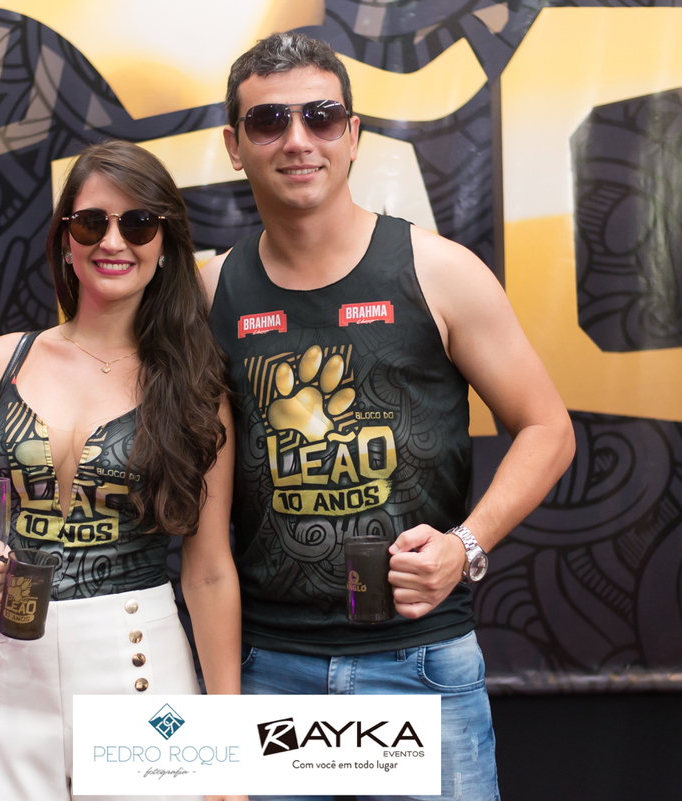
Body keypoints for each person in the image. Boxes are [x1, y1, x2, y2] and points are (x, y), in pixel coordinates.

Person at [199, 33, 576, 800]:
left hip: (420, 667)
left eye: (320, 116)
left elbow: (549, 428)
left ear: (353, 134)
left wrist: (466, 545)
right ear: (235, 146)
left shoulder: (439, 271)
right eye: (269, 121)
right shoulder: (211, 294)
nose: (297, 139)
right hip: (270, 673)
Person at [0, 141, 244, 801]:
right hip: (1, 669)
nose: (113, 241)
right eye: (90, 223)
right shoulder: (1, 362)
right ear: (64, 240)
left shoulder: (194, 384)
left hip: (138, 666)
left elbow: (209, 570)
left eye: (137, 223)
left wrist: (225, 748)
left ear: (165, 243)